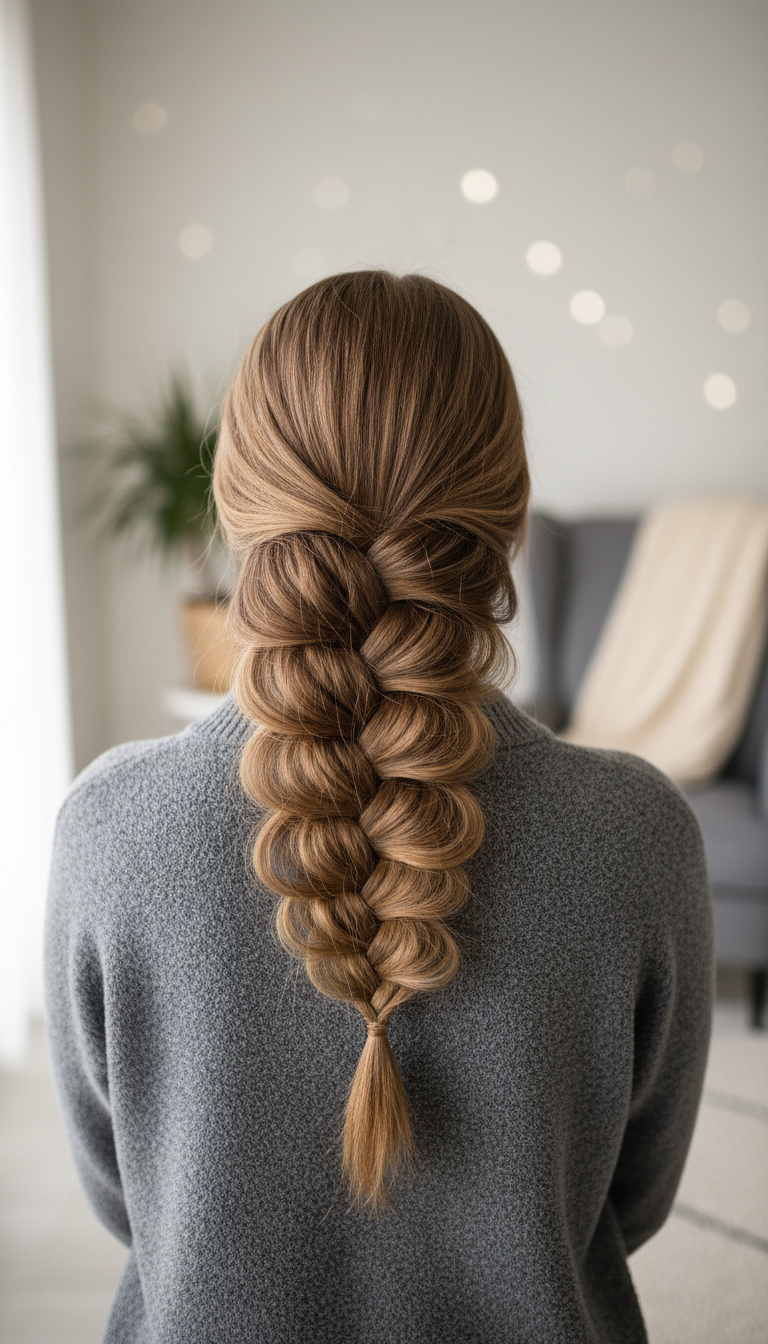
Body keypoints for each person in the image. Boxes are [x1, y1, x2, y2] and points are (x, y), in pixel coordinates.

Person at [45, 270, 713, 1344]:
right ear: (508, 516)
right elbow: (627, 1206)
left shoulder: (110, 827)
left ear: (237, 498)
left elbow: (127, 1201)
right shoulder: (637, 833)